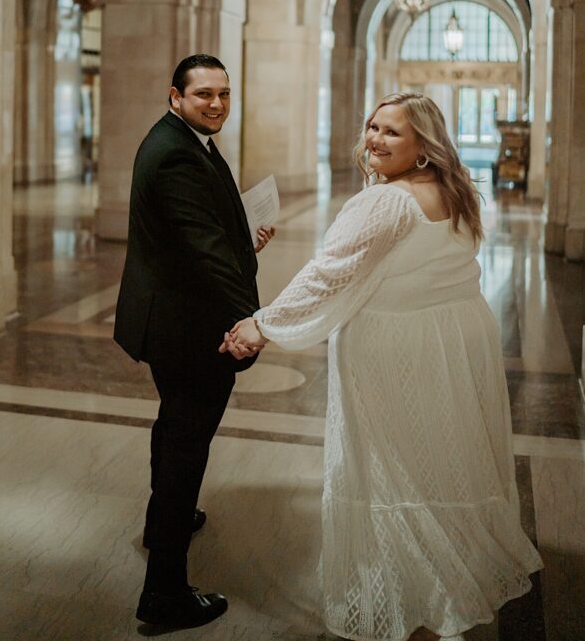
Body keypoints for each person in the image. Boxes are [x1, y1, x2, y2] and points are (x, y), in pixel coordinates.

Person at [222, 93, 542, 641]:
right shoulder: (458, 190)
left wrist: (264, 323)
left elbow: (329, 275)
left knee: (388, 466)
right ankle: (450, 568)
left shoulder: (385, 203)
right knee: (438, 455)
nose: (374, 138)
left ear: (424, 146)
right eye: (372, 126)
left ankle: (408, 593)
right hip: (454, 335)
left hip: (396, 344)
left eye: (392, 132)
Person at [114, 54, 274, 629]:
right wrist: (249, 320)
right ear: (174, 95)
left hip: (170, 315)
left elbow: (196, 232)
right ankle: (164, 594)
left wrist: (242, 237)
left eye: (224, 93)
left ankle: (164, 524)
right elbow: (203, 251)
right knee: (187, 444)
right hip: (188, 327)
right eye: (204, 93)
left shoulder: (183, 139)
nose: (217, 103)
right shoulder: (177, 152)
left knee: (175, 426)